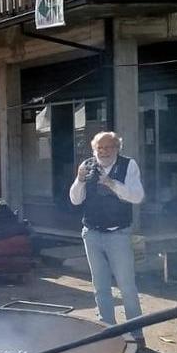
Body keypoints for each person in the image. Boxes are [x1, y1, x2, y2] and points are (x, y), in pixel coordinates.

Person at [68, 131, 145, 337]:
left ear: (117, 148)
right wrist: (79, 180)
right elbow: (75, 200)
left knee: (126, 287)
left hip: (118, 234)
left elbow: (137, 197)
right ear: (94, 150)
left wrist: (111, 183)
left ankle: (136, 334)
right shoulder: (87, 166)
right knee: (100, 286)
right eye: (99, 148)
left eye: (109, 147)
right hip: (92, 233)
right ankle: (107, 332)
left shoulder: (128, 165)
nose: (104, 152)